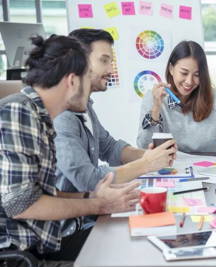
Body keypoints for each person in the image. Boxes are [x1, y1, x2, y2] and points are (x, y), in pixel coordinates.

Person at [0, 35, 140, 267]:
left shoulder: (42, 117)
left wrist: (93, 195)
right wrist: (98, 203)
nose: (92, 85)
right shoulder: (18, 111)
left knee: (133, 250)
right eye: (88, 77)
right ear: (73, 81)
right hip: (17, 262)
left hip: (44, 245)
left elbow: (40, 193)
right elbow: (21, 204)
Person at [54, 29, 176, 196]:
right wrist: (147, 163)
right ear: (79, 62)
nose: (111, 70)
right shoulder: (63, 116)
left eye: (111, 62)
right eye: (104, 61)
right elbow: (88, 180)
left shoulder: (86, 107)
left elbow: (110, 148)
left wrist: (150, 155)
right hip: (78, 218)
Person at [136, 40, 216, 166]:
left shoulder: (215, 97)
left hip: (208, 170)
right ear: (171, 69)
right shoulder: (154, 97)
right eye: (184, 73)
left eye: (197, 75)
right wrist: (155, 109)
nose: (189, 81)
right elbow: (143, 147)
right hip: (171, 169)